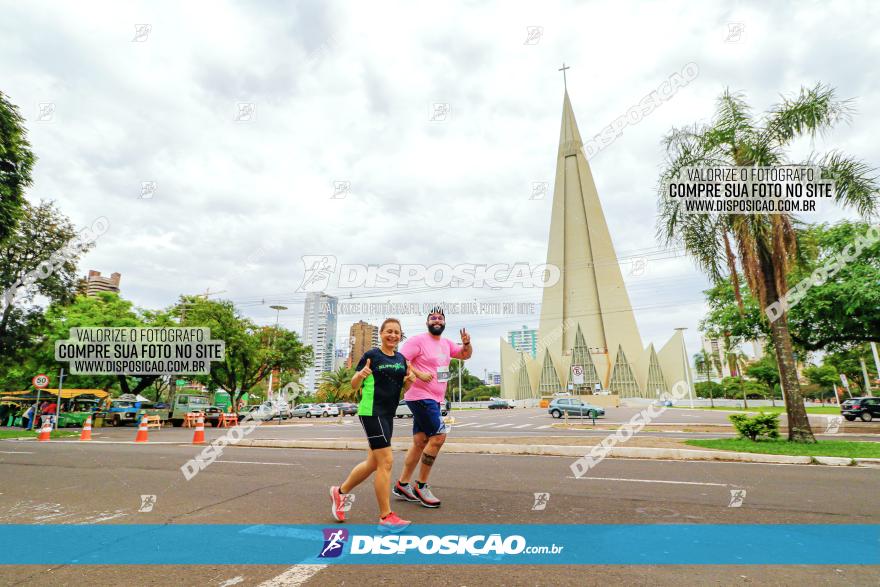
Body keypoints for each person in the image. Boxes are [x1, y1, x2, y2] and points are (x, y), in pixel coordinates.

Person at [330, 318, 416, 531]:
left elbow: (401, 386)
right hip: (371, 411)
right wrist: (360, 374)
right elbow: (353, 384)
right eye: (389, 331)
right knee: (386, 461)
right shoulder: (371, 356)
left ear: (400, 335)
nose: (393, 335)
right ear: (382, 333)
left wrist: (408, 382)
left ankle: (339, 492)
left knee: (373, 463)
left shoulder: (400, 358)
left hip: (388, 414)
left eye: (397, 332)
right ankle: (386, 517)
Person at [393, 306, 472, 508]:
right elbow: (400, 360)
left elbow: (465, 355)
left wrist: (467, 344)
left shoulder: (446, 343)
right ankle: (421, 485)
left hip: (435, 400)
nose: (437, 320)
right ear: (427, 322)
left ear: (444, 323)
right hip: (419, 395)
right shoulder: (417, 341)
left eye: (440, 318)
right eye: (433, 318)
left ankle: (402, 484)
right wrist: (419, 374)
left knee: (420, 442)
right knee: (438, 437)